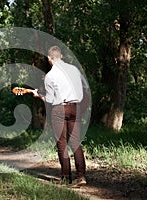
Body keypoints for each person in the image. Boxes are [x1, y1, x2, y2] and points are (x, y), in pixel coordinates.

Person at [32, 45, 87, 187]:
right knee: (75, 142)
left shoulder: (50, 76)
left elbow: (50, 100)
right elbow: (85, 88)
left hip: (59, 109)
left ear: (49, 59)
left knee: (62, 143)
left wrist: (39, 95)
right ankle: (81, 176)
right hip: (75, 107)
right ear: (61, 56)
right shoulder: (74, 70)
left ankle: (65, 177)